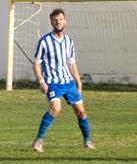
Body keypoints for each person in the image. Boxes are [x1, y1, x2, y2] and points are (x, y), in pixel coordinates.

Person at [31, 9, 93, 153]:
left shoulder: (69, 41)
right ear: (51, 22)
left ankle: (87, 141)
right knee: (55, 108)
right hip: (53, 83)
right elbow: (36, 64)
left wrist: (78, 82)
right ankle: (38, 141)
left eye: (60, 19)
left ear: (65, 21)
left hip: (68, 82)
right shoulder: (44, 41)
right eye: (55, 20)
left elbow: (71, 63)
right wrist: (41, 81)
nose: (58, 22)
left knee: (81, 112)